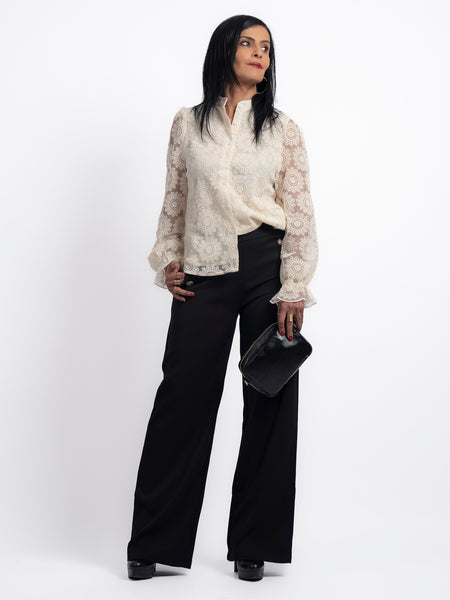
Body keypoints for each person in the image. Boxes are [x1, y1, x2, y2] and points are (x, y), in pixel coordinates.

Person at [126, 14, 319, 582]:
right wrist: (168, 259)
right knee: (182, 397)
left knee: (269, 397)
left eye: (267, 47)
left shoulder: (283, 129)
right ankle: (153, 541)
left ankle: (253, 544)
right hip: (204, 268)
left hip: (265, 265)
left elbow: (300, 212)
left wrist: (294, 285)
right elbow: (174, 202)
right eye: (248, 43)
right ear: (224, 50)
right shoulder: (187, 123)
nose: (259, 53)